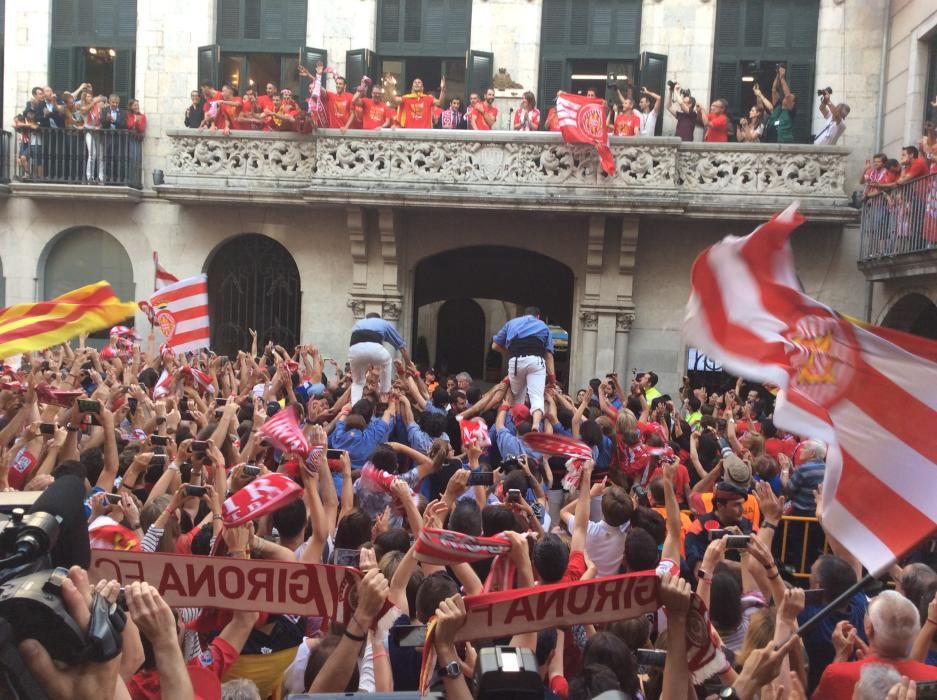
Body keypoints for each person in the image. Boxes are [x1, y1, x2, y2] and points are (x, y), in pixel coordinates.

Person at [813, 590, 937, 698]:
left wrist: (840, 656)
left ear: (869, 628)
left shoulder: (837, 673)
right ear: (916, 631)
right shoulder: (933, 678)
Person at [491, 306, 556, 430]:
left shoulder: (511, 323)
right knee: (536, 397)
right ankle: (536, 424)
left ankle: (517, 425)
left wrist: (509, 352)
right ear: (538, 317)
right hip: (536, 361)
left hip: (516, 361)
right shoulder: (543, 326)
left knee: (517, 396)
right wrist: (552, 381)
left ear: (523, 315)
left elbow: (495, 346)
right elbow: (548, 355)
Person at [348, 312, 410, 404]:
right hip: (374, 347)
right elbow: (402, 347)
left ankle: (355, 406)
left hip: (354, 350)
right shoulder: (383, 323)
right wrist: (409, 364)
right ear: (379, 318)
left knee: (357, 382)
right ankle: (384, 393)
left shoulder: (359, 323)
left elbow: (358, 341)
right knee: (387, 360)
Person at [756, 66, 796, 143]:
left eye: (791, 97)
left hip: (783, 143)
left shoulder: (791, 112)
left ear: (793, 103)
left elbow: (787, 95)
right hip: (770, 141)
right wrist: (778, 75)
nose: (787, 97)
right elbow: (774, 90)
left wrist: (782, 78)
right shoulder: (778, 107)